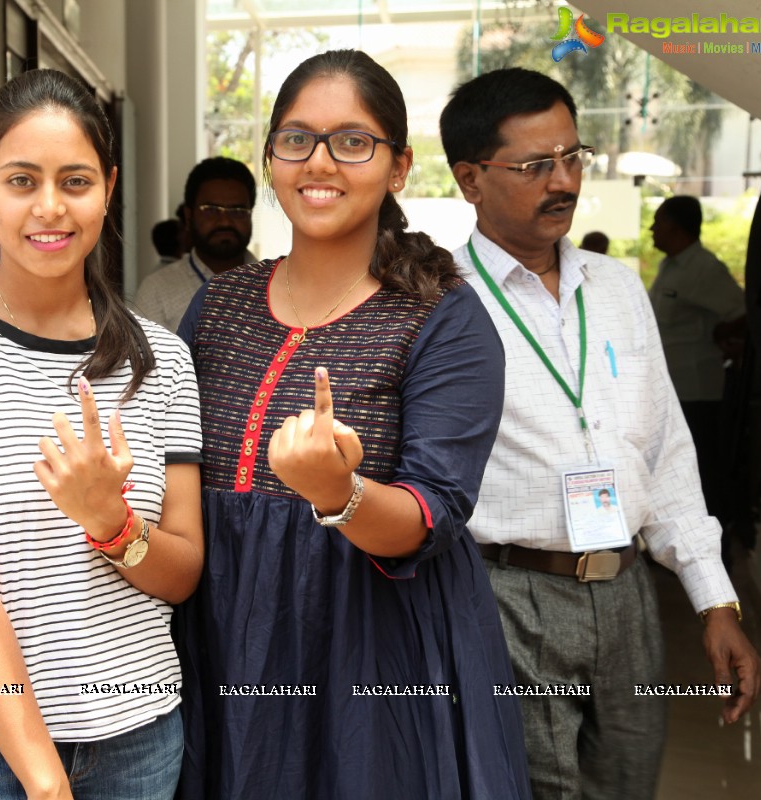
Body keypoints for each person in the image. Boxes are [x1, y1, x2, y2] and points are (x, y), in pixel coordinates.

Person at [175, 49, 531, 799]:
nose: (320, 162)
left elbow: (432, 514)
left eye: (353, 141)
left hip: (368, 652)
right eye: (296, 139)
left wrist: (340, 494)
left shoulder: (443, 317)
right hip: (222, 634)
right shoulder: (220, 306)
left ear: (398, 167)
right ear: (271, 158)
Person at [0, 69, 204, 800]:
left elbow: (180, 574)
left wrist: (110, 523)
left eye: (76, 181)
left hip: (135, 736)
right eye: (21, 180)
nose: (49, 208)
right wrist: (44, 779)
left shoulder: (162, 359)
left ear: (109, 187)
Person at [439, 67, 761, 800]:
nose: (564, 182)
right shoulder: (437, 298)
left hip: (627, 595)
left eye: (573, 157)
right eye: (534, 166)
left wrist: (715, 600)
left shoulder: (616, 287)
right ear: (470, 179)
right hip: (508, 594)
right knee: (539, 789)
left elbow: (667, 453)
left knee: (627, 783)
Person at [650, 195, 746, 529]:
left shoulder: (704, 267)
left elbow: (743, 312)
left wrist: (721, 333)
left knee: (703, 470)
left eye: (658, 221)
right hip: (673, 388)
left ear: (675, 227)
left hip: (698, 390)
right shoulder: (669, 265)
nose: (652, 229)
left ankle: (717, 549)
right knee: (674, 470)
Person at [133, 156, 257, 330]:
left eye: (237, 211)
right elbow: (143, 356)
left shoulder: (275, 285)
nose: (225, 222)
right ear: (189, 215)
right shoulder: (157, 290)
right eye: (211, 210)